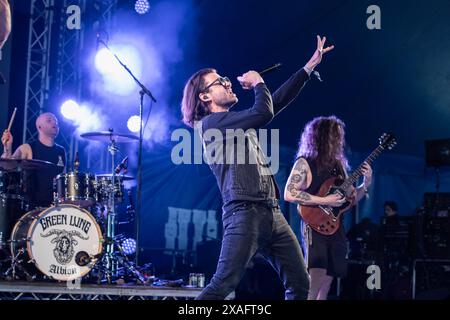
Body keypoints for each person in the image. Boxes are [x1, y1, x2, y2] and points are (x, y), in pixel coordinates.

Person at [181, 35, 334, 300]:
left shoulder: (235, 121)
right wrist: (258, 83)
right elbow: (264, 112)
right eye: (220, 81)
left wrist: (308, 68)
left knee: (300, 285)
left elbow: (273, 104)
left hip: (272, 213)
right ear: (204, 96)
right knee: (222, 285)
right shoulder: (210, 125)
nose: (228, 83)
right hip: (244, 213)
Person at [284, 116, 372, 300]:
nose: (340, 139)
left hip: (335, 227)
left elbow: (350, 200)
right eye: (336, 135)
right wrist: (325, 200)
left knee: (327, 283)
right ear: (323, 136)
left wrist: (365, 184)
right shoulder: (304, 162)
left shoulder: (338, 165)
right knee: (315, 278)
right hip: (314, 225)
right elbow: (289, 193)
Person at [1, 112, 66, 207]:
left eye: (56, 122)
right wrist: (7, 146)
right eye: (49, 120)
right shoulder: (27, 148)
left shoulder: (61, 151)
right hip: (32, 206)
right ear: (39, 127)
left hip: (55, 207)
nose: (55, 123)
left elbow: (64, 178)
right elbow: (7, 165)